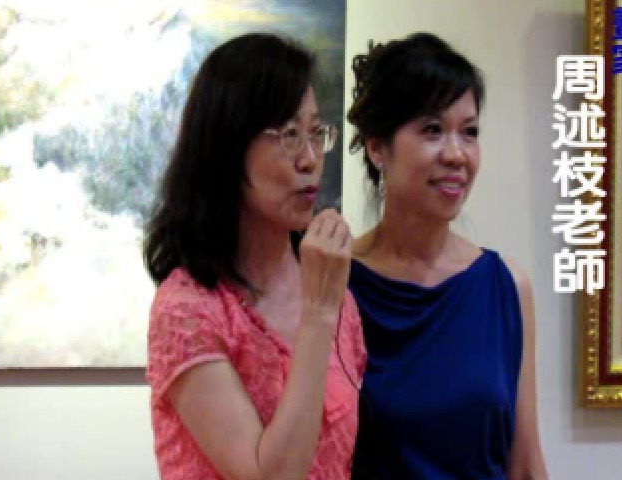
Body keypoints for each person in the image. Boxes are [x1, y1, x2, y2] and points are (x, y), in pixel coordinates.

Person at [143, 33, 366, 480]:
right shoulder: (187, 308)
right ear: (227, 147)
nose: (310, 160)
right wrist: (319, 313)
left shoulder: (334, 294)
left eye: (316, 133)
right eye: (288, 135)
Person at [345, 32, 549, 480]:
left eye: (469, 132)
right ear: (377, 147)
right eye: (432, 130)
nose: (457, 155)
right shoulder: (335, 286)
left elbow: (525, 461)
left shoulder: (507, 287)